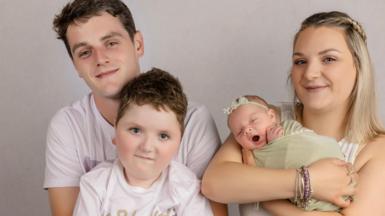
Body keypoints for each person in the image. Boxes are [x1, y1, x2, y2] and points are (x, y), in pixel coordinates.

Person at [44, 0, 223, 215]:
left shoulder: (193, 120)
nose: (100, 59)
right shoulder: (68, 126)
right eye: (84, 52)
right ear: (75, 65)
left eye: (110, 43)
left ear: (138, 44)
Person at [202, 11, 385, 216]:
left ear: (359, 67)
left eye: (329, 59)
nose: (310, 73)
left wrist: (266, 197)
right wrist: (309, 181)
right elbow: (213, 184)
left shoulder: (377, 150)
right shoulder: (262, 119)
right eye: (300, 61)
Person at [73, 68, 213, 216]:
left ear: (179, 141)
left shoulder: (186, 188)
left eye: (163, 136)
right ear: (116, 129)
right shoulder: (95, 185)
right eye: (135, 130)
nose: (147, 147)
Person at [225, 95, 345, 211]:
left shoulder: (287, 127)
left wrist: (277, 141)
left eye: (254, 120)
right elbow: (261, 180)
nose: (247, 130)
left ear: (271, 116)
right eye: (240, 132)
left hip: (332, 163)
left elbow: (307, 139)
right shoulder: (252, 157)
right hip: (311, 196)